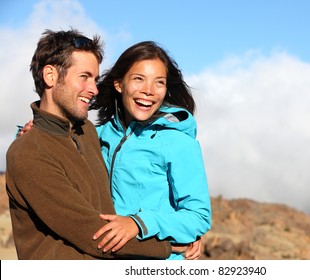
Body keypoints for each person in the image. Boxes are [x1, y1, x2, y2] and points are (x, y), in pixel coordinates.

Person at [5, 29, 178, 260]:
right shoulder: (28, 152)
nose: (94, 89)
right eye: (84, 77)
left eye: (95, 79)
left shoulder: (86, 132)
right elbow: (93, 234)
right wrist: (170, 246)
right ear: (50, 76)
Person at [90, 41, 212, 260]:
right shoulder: (98, 135)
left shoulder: (178, 142)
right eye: (138, 79)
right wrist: (30, 129)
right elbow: (52, 144)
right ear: (119, 84)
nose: (148, 90)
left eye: (159, 82)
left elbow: (198, 217)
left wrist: (139, 223)